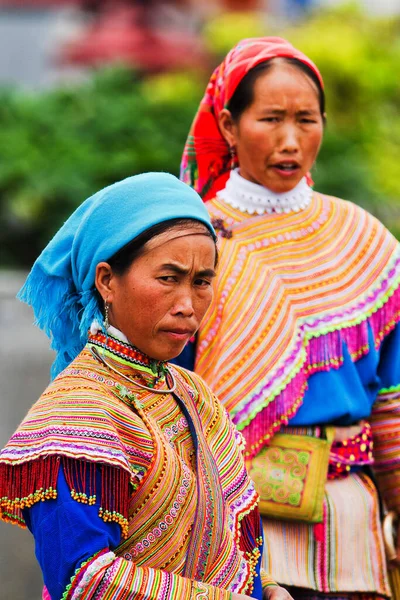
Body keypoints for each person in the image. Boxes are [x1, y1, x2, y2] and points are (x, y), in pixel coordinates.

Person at [176, 37, 400, 599]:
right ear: (228, 125)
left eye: (307, 119)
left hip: (351, 527)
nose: (291, 140)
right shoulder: (192, 241)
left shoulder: (364, 242)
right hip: (232, 528)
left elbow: (393, 398)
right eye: (270, 118)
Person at [0, 172, 293, 600]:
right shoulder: (77, 411)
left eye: (201, 282)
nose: (187, 305)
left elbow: (236, 532)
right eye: (168, 278)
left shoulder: (194, 394)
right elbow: (82, 577)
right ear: (106, 281)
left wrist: (267, 587)